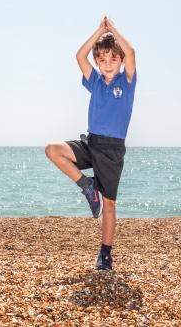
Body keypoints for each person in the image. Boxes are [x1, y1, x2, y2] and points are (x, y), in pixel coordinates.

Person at [45, 16, 136, 270]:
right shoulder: (95, 81)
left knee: (109, 204)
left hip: (113, 150)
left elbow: (131, 52)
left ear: (120, 61)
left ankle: (105, 254)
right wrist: (99, 32)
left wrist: (113, 30)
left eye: (113, 59)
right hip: (91, 143)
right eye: (102, 60)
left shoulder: (126, 82)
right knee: (53, 149)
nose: (108, 64)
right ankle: (87, 187)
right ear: (97, 62)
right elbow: (79, 56)